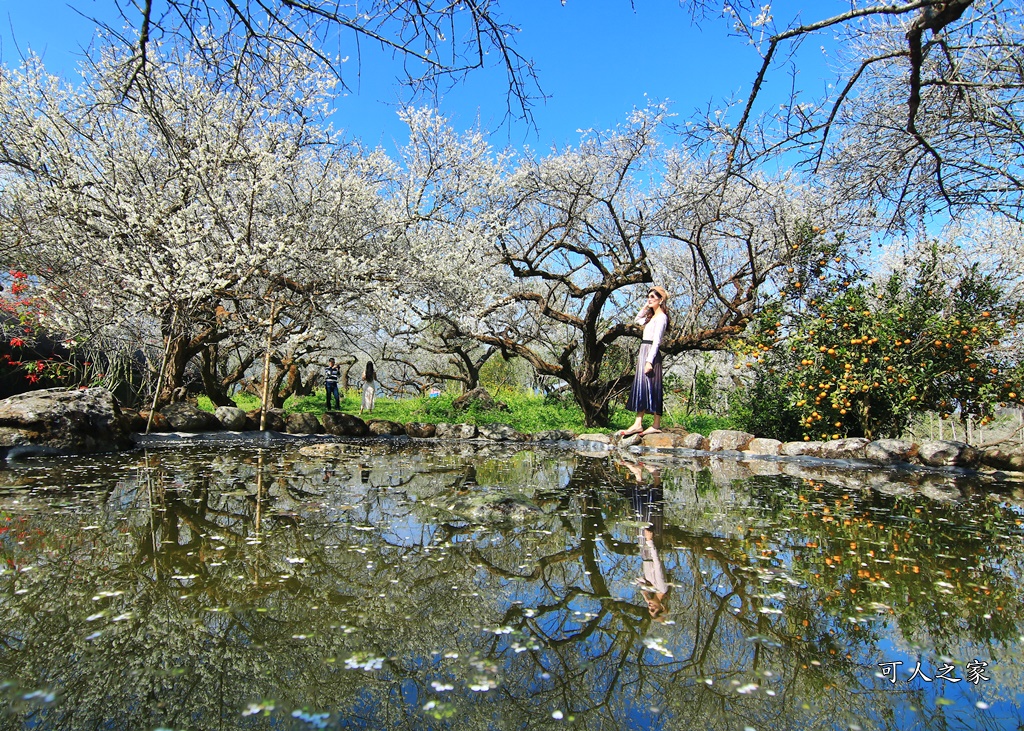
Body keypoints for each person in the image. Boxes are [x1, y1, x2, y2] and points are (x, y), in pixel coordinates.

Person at [619, 286, 670, 437]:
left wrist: (649, 361)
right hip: (643, 350)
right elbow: (637, 319)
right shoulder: (651, 317)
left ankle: (656, 424)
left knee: (654, 386)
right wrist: (646, 306)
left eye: (653, 297)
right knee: (641, 385)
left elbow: (657, 342)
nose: (650, 299)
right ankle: (638, 423)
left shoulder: (662, 318)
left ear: (661, 300)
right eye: (649, 296)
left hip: (651, 353)